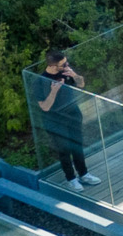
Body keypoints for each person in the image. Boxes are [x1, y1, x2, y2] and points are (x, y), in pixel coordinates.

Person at [32, 48, 98, 188]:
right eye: (63, 65)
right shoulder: (39, 82)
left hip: (72, 114)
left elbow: (81, 84)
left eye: (66, 62)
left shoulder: (66, 71)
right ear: (51, 65)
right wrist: (54, 91)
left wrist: (74, 75)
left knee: (77, 145)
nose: (66, 66)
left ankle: (84, 174)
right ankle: (71, 179)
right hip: (55, 120)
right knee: (64, 149)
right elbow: (44, 106)